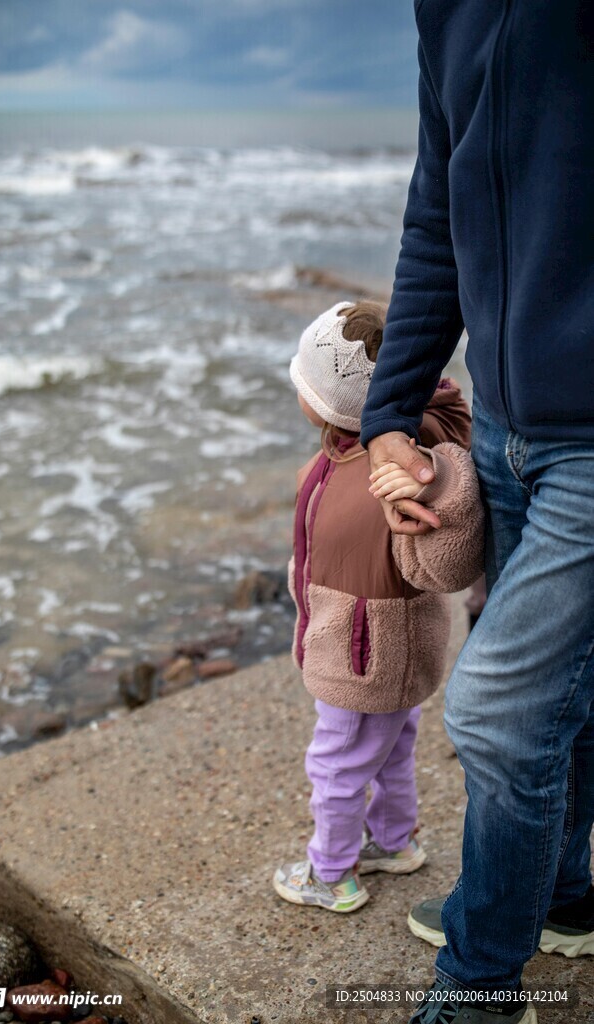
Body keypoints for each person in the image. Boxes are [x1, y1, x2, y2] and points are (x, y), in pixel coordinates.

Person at [359, 3, 594, 1023]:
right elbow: (434, 214)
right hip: (498, 427)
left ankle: (479, 983)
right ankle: (558, 894)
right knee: (555, 699)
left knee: (494, 705)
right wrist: (390, 412)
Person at [273, 299, 483, 913]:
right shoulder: (347, 451)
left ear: (339, 402)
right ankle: (395, 840)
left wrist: (435, 490)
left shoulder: (396, 467)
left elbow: (441, 565)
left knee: (336, 763)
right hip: (373, 644)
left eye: (303, 379)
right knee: (390, 745)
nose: (295, 385)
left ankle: (331, 872)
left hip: (364, 647)